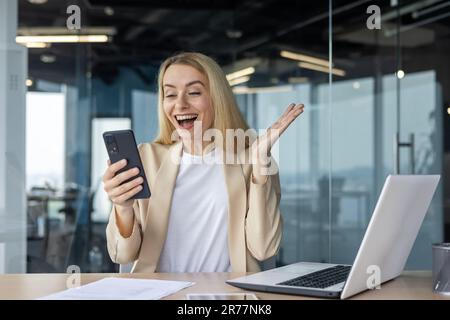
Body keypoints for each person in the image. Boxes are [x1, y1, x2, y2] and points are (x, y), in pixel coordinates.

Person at [103, 52, 304, 273]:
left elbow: (264, 249)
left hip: (228, 295)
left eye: (194, 92)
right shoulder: (147, 158)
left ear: (217, 97)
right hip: (160, 293)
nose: (180, 104)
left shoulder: (253, 159)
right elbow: (122, 254)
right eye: (170, 94)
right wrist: (122, 208)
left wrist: (259, 167)